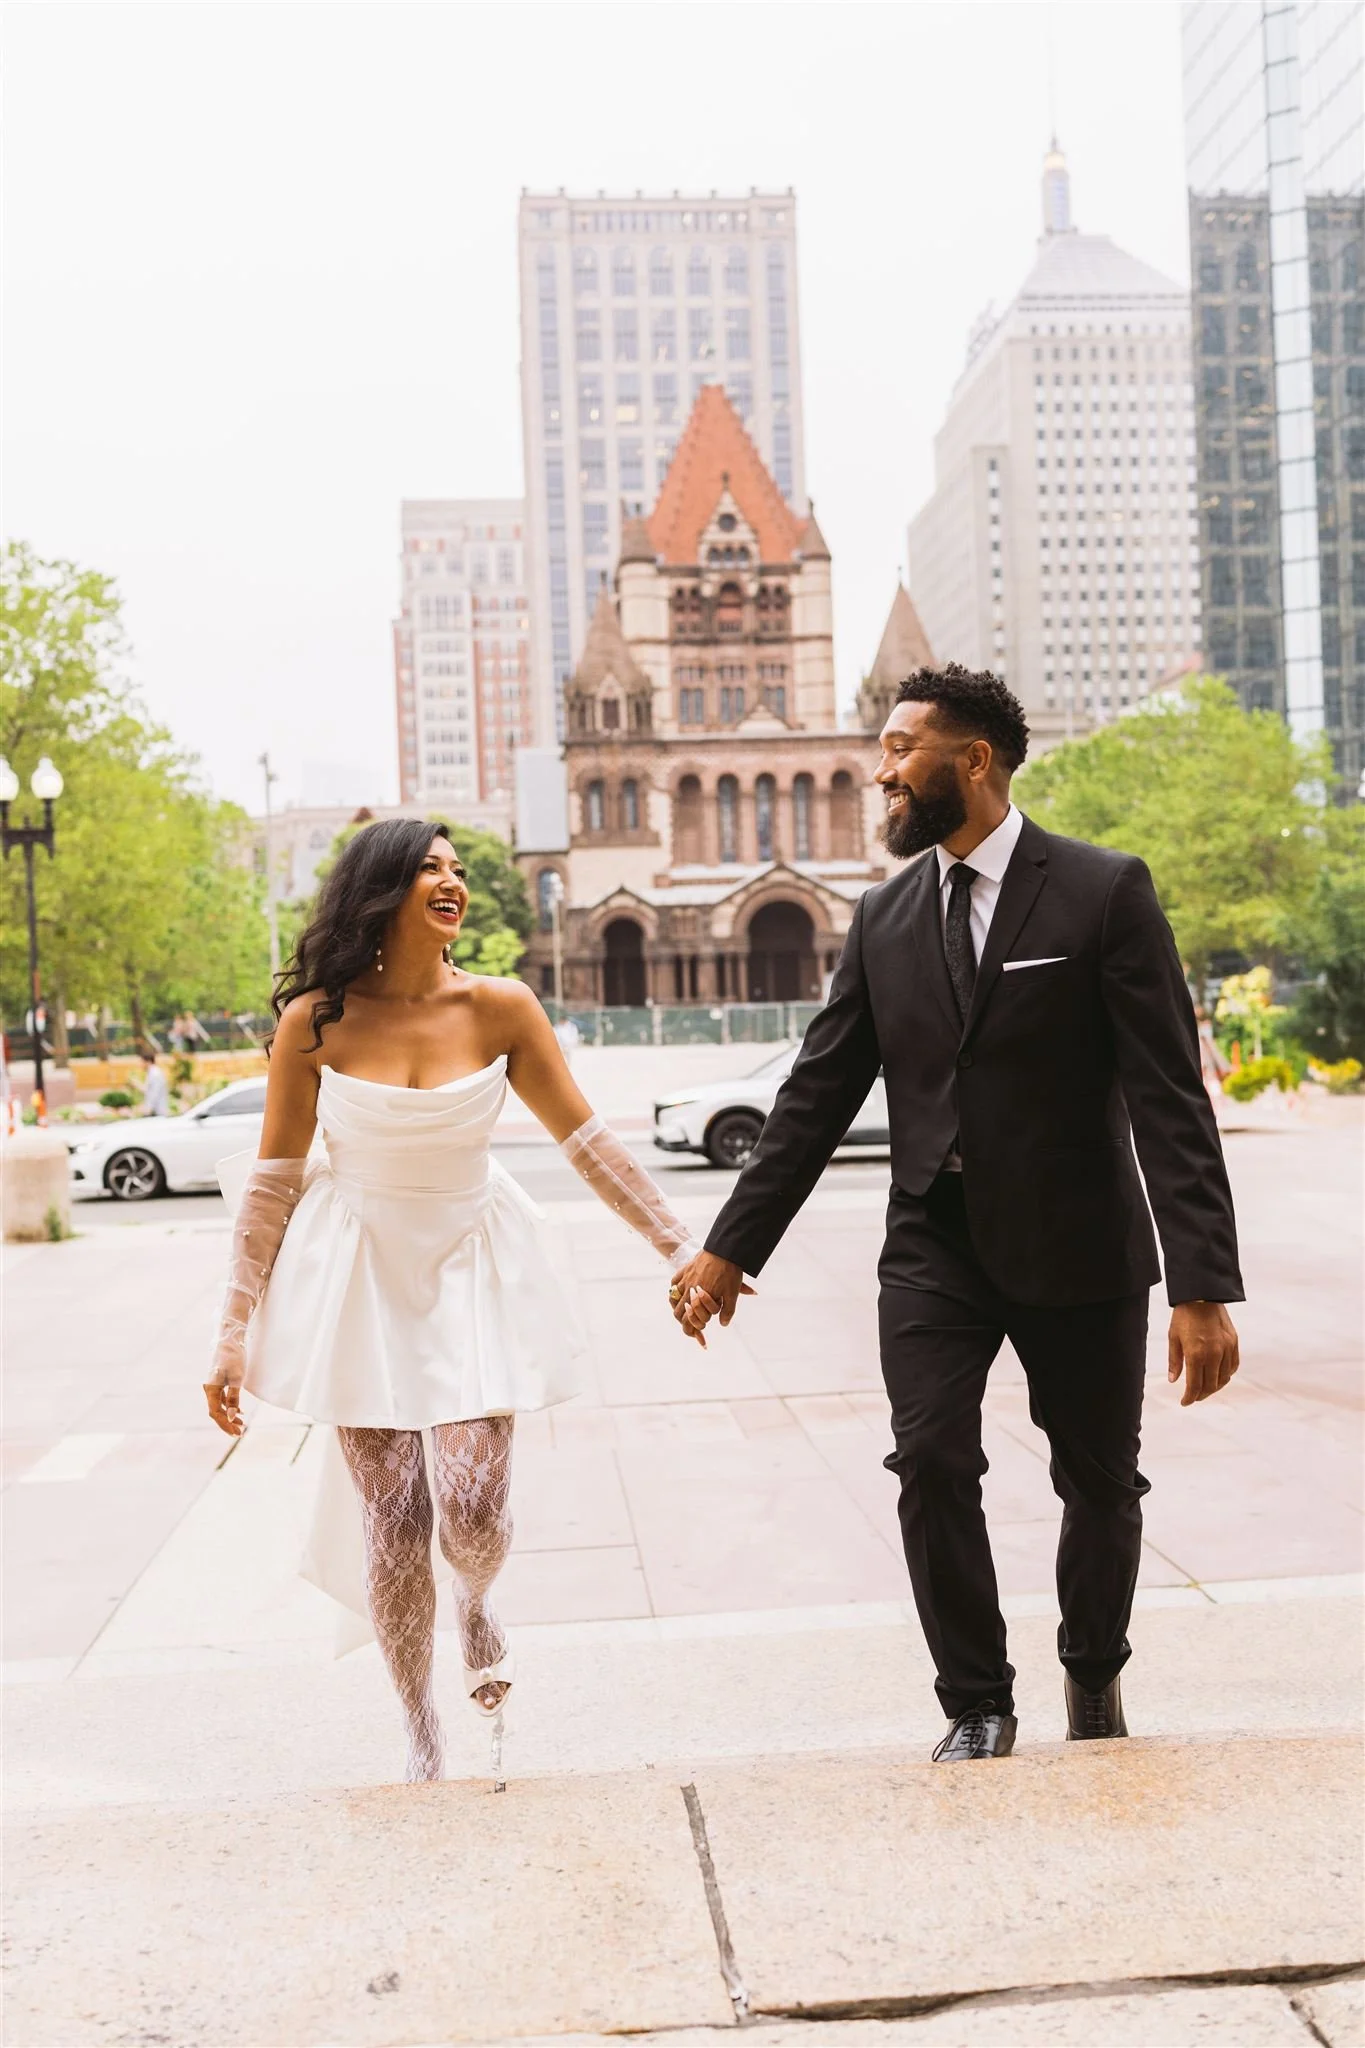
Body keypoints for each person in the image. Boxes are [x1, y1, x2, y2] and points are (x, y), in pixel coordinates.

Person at [670, 664, 1243, 1762]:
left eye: (898, 747)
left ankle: (1093, 1671)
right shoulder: (882, 916)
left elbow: (1170, 1096)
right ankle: (976, 1700)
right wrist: (728, 1249)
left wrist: (1203, 1284)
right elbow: (816, 1095)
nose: (879, 769)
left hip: (1081, 1239)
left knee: (1099, 1478)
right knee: (930, 1458)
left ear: (971, 760)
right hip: (933, 1237)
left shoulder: (1101, 890)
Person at [203, 819, 705, 1784]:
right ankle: (419, 1729)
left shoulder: (503, 1006)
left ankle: (474, 1600)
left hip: (475, 1261)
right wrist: (231, 1332)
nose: (452, 881)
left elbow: (588, 1144)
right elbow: (271, 1183)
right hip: (357, 1273)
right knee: (391, 1520)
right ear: (378, 892)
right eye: (428, 868)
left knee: (472, 1507)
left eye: (457, 868)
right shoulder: (314, 1019)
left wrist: (680, 1247)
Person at [139, 1050, 170, 1117]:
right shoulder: (151, 1073)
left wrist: (148, 1108)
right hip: (155, 1111)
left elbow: (154, 1093)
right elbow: (148, 1090)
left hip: (158, 1112)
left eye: (141, 1062)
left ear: (148, 1062)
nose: (140, 1064)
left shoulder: (155, 1074)